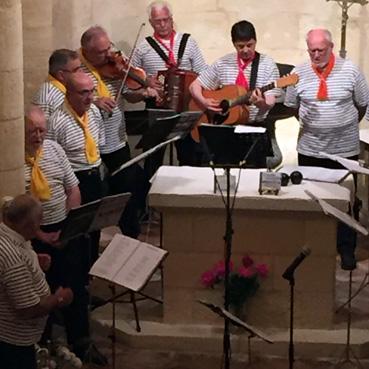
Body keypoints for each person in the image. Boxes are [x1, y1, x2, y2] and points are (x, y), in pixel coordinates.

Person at [284, 28, 369, 270]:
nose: (316, 54)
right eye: (312, 51)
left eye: (321, 50)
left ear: (331, 47)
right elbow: (292, 106)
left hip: (344, 150)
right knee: (313, 199)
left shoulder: (350, 70)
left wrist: (340, 123)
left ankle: (346, 249)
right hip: (311, 149)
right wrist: (314, 126)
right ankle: (314, 249)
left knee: (346, 200)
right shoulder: (298, 73)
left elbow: (362, 104)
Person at [46, 73, 108, 365]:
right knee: (71, 256)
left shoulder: (94, 111)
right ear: (68, 93)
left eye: (92, 92)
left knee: (90, 240)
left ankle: (86, 282)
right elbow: (56, 162)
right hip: (75, 181)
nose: (90, 98)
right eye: (84, 93)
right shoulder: (57, 120)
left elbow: (98, 142)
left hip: (93, 175)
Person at [79, 25, 152, 238]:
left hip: (117, 140)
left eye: (109, 46)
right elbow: (70, 97)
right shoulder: (78, 69)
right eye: (102, 52)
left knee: (127, 191)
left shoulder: (117, 61)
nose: (109, 54)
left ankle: (131, 237)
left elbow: (129, 94)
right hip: (92, 143)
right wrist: (94, 100)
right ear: (87, 52)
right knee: (98, 197)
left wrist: (144, 92)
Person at [189, 20, 280, 167]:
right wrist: (203, 102)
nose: (245, 50)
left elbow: (269, 103)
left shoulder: (267, 64)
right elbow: (195, 86)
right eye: (240, 46)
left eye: (249, 45)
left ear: (255, 41)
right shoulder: (223, 63)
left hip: (252, 132)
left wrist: (260, 102)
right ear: (233, 44)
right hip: (224, 131)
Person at [0, 194, 73, 369]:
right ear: (29, 224)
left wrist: (34, 261)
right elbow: (28, 309)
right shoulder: (12, 257)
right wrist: (59, 298)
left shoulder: (8, 234)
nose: (40, 226)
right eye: (39, 221)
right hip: (13, 342)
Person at [132, 0, 208, 168]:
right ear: (151, 22)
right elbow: (130, 86)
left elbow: (204, 73)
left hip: (187, 108)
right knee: (153, 160)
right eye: (158, 21)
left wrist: (196, 88)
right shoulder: (143, 48)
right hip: (157, 110)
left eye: (166, 19)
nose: (163, 24)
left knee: (190, 159)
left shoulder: (188, 42)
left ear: (171, 18)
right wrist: (146, 89)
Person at [32, 49, 83, 121]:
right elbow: (42, 128)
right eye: (76, 70)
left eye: (80, 68)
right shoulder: (47, 97)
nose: (81, 72)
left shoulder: (71, 89)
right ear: (61, 75)